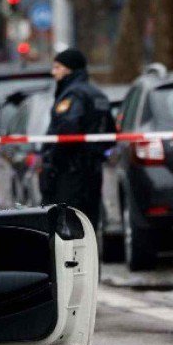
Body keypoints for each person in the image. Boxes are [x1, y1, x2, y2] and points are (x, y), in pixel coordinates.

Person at [39, 49, 112, 230]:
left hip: (70, 173)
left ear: (69, 70)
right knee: (89, 224)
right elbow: (110, 133)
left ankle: (71, 259)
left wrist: (53, 160)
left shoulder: (73, 95)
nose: (53, 72)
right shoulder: (98, 94)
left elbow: (67, 131)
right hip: (93, 171)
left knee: (67, 226)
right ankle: (90, 259)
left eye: (57, 67)